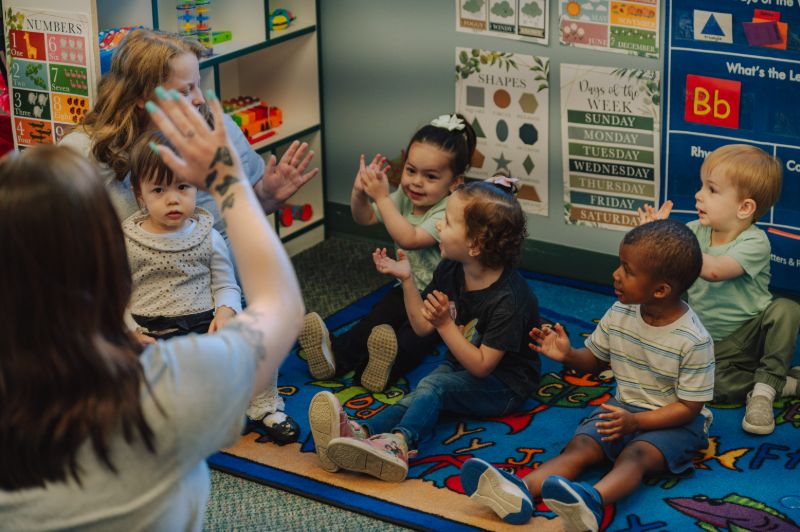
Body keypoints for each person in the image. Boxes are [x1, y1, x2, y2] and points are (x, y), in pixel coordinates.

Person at [0, 88, 304, 529]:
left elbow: (228, 285)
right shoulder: (166, 386)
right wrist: (228, 182)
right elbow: (282, 306)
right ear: (109, 258)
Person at [60, 28, 316, 442]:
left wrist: (265, 196)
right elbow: (70, 271)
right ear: (143, 96)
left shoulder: (216, 128)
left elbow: (237, 224)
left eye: (198, 84)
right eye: (185, 89)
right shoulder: (84, 157)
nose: (198, 98)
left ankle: (257, 398)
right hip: (138, 306)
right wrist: (119, 328)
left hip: (215, 291)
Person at [459, 220, 714, 531]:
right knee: (582, 445)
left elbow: (690, 407)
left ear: (660, 290)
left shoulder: (693, 340)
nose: (616, 274)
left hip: (677, 423)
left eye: (628, 271)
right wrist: (568, 355)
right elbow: (594, 361)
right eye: (620, 264)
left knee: (635, 455)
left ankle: (592, 500)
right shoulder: (620, 312)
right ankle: (521, 490)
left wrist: (637, 423)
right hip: (624, 409)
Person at [307, 179, 541, 481]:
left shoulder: (510, 300)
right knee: (419, 394)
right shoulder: (450, 269)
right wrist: (407, 280)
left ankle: (399, 444)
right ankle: (360, 432)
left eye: (448, 221)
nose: (439, 225)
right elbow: (420, 326)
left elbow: (482, 367)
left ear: (475, 244)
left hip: (506, 384)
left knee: (434, 387)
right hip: (462, 362)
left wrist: (445, 325)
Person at [299, 113, 476, 394]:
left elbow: (410, 238)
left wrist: (381, 196)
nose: (416, 182)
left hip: (441, 299)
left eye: (430, 176)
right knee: (375, 320)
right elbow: (365, 217)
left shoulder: (449, 209)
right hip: (407, 286)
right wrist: (360, 193)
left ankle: (381, 369)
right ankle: (334, 357)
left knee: (413, 338)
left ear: (455, 182)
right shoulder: (405, 197)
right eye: (411, 170)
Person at [639, 144, 800, 435]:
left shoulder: (755, 242)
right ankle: (784, 383)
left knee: (786, 310)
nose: (699, 194)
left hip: (753, 334)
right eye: (702, 186)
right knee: (709, 388)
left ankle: (763, 392)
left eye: (712, 189)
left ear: (744, 208)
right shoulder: (693, 231)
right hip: (710, 344)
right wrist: (654, 238)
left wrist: (672, 244)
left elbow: (714, 270)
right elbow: (665, 269)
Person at [124, 131, 241, 341]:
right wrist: (130, 332)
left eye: (182, 186)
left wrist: (225, 313)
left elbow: (226, 285)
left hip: (203, 328)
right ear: (139, 194)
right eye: (158, 190)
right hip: (147, 334)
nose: (173, 199)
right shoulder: (126, 241)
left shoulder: (209, 236)